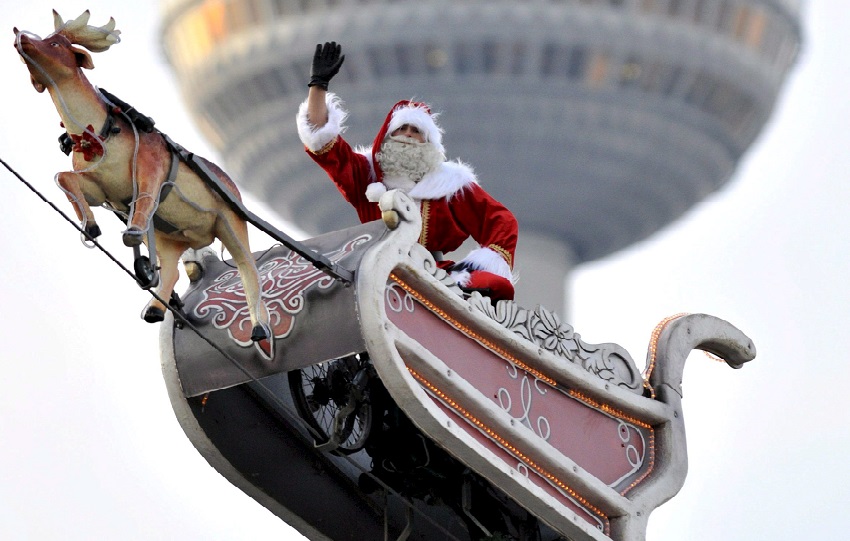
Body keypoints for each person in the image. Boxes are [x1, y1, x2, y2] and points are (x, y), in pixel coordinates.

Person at [296, 42, 518, 301]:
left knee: (494, 284)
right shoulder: (365, 174)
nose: (408, 136)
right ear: (386, 137)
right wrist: (318, 85)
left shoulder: (450, 186)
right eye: (401, 130)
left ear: (429, 143)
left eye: (416, 131)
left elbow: (501, 220)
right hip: (374, 268)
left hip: (434, 275)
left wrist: (484, 263)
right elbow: (325, 146)